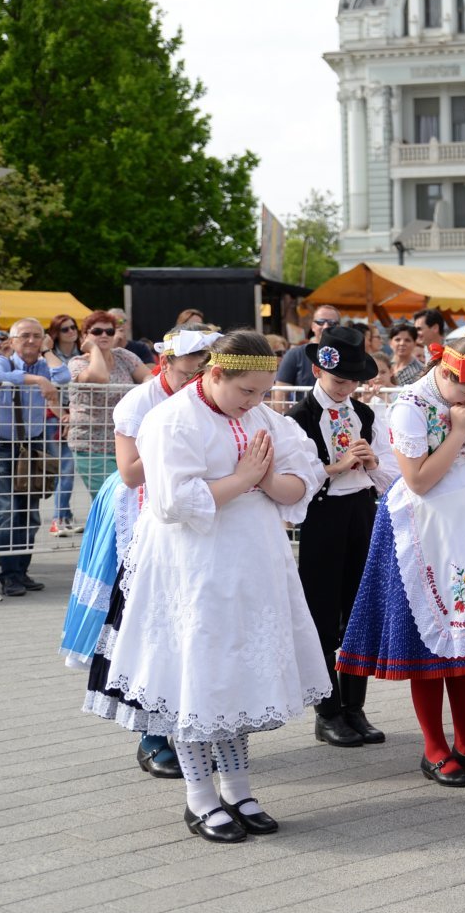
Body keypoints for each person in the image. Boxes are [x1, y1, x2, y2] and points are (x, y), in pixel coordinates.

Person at [91, 331, 326, 842]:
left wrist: (262, 481)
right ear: (215, 374)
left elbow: (300, 480)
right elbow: (173, 502)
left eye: (264, 393)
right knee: (197, 674)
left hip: (252, 564)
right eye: (247, 392)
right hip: (192, 565)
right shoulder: (171, 420)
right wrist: (245, 478)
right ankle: (199, 797)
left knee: (236, 673)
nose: (256, 403)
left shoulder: (263, 418)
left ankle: (238, 788)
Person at [338, 336, 465, 786]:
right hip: (420, 528)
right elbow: (417, 480)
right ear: (446, 373)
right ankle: (435, 746)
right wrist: (457, 434)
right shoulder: (409, 405)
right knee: (430, 643)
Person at [75, 327, 224, 779]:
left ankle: (194, 727)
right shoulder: (140, 403)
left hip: (192, 516)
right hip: (140, 519)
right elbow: (131, 473)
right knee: (147, 621)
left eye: (205, 371)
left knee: (192, 624)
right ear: (165, 366)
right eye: (188, 372)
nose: (196, 380)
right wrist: (175, 446)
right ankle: (151, 736)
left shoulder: (206, 400)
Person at [288, 327, 396, 749]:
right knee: (322, 615)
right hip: (321, 516)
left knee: (359, 611)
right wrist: (335, 466)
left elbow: (389, 477)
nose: (346, 388)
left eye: (353, 381)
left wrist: (371, 465)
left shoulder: (366, 415)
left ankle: (355, 706)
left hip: (360, 513)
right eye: (339, 380)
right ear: (317, 370)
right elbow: (292, 477)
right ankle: (326, 710)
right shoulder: (297, 418)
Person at [0, 318, 70, 597]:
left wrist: (47, 353)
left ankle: (21, 570)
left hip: (31, 444)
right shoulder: (2, 362)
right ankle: (9, 575)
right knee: (8, 509)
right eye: (24, 336)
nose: (30, 341)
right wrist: (38, 380)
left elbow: (64, 375)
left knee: (30, 512)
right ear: (12, 340)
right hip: (0, 444)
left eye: (36, 336)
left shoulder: (45, 363)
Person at [68, 311, 151, 500]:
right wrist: (95, 350)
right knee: (111, 501)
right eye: (97, 331)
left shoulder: (123, 355)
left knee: (130, 500)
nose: (104, 335)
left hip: (126, 442)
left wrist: (146, 384)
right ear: (84, 336)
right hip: (92, 445)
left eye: (109, 331)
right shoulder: (77, 363)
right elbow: (100, 377)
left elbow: (148, 376)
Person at [42, 315, 78, 535]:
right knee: (64, 469)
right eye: (65, 329)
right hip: (54, 416)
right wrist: (63, 415)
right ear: (56, 333)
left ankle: (64, 515)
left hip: (75, 415)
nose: (71, 331)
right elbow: (49, 394)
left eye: (74, 327)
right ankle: (59, 518)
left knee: (67, 470)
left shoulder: (82, 354)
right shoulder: (49, 357)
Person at [277, 304, 342, 389]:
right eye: (320, 322)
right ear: (313, 326)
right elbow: (280, 391)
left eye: (331, 323)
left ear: (339, 327)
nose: (326, 326)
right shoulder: (295, 354)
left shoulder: (347, 354)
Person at [394, 308, 449, 386]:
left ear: (435, 328)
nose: (416, 333)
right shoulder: (424, 351)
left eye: (419, 329)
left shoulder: (453, 352)